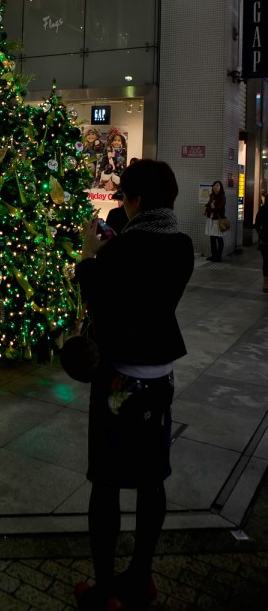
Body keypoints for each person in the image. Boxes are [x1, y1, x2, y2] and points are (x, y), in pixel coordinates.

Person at [73, 159, 194, 611]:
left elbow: (98, 299)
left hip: (119, 381)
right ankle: (141, 577)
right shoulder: (181, 246)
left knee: (106, 483)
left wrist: (89, 254)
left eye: (125, 195)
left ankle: (105, 590)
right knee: (150, 480)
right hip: (160, 380)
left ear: (137, 199)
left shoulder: (122, 250)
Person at [204, 180, 226, 262]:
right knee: (212, 238)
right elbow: (209, 204)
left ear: (220, 187)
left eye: (217, 185)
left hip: (218, 219)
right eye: (214, 185)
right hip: (211, 219)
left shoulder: (222, 197)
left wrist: (210, 209)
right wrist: (207, 207)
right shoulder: (211, 195)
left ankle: (218, 256)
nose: (215, 187)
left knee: (219, 238)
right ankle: (213, 255)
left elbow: (219, 208)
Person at [254, 196, 268, 293]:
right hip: (265, 240)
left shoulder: (263, 209)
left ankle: (265, 284)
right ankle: (266, 283)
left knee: (266, 262)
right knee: (267, 262)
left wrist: (260, 234)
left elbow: (257, 225)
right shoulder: (263, 209)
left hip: (264, 240)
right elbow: (257, 224)